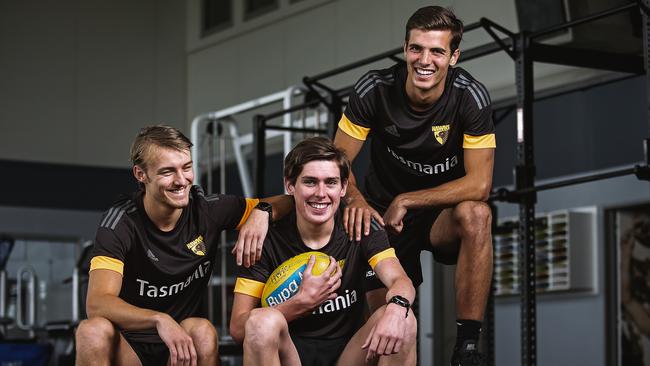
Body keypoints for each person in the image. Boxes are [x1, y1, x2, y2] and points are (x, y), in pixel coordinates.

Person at [334, 6, 496, 365]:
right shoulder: (374, 88)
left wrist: (408, 198)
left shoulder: (470, 96)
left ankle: (467, 348)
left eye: (437, 51)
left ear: (454, 57)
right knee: (387, 333)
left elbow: (481, 183)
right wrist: (357, 201)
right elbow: (336, 162)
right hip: (381, 217)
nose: (425, 60)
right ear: (405, 48)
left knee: (477, 214)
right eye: (416, 49)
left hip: (438, 215)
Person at [75, 125, 281, 366]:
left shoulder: (207, 210)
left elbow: (289, 201)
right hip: (130, 345)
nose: (181, 180)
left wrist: (262, 212)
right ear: (141, 174)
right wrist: (159, 319)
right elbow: (97, 303)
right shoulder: (121, 222)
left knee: (202, 330)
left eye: (186, 167)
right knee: (91, 331)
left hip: (183, 348)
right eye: (167, 172)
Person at [230, 136, 417, 366]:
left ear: (343, 188)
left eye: (330, 182)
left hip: (348, 355)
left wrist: (397, 309)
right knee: (261, 322)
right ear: (290, 185)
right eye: (310, 182)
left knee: (404, 317)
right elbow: (239, 329)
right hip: (291, 355)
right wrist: (301, 303)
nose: (321, 193)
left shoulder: (360, 226)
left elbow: (401, 280)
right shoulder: (263, 238)